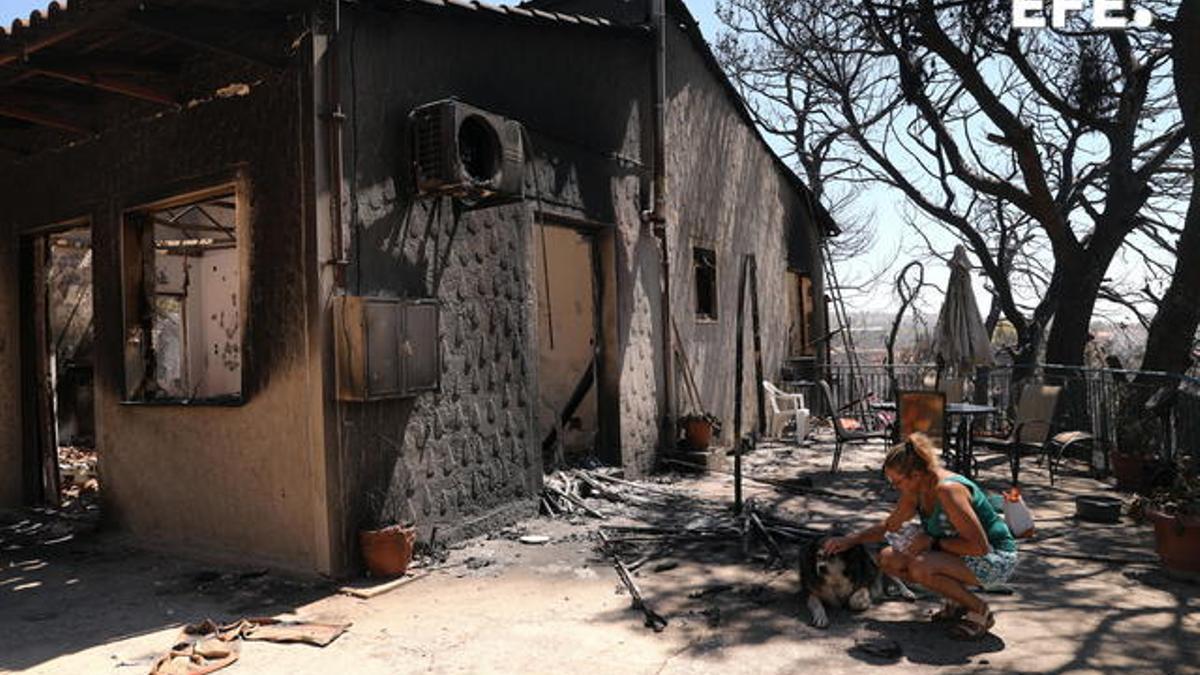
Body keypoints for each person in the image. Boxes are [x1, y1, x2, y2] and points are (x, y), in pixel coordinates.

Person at [822, 433, 1018, 640]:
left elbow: (980, 547)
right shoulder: (917, 490)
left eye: (897, 482)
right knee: (889, 559)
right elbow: (890, 526)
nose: (894, 487)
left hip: (996, 558)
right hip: (963, 554)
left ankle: (980, 611)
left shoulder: (948, 491)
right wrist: (852, 539)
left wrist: (932, 542)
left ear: (915, 475)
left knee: (920, 565)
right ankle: (957, 601)